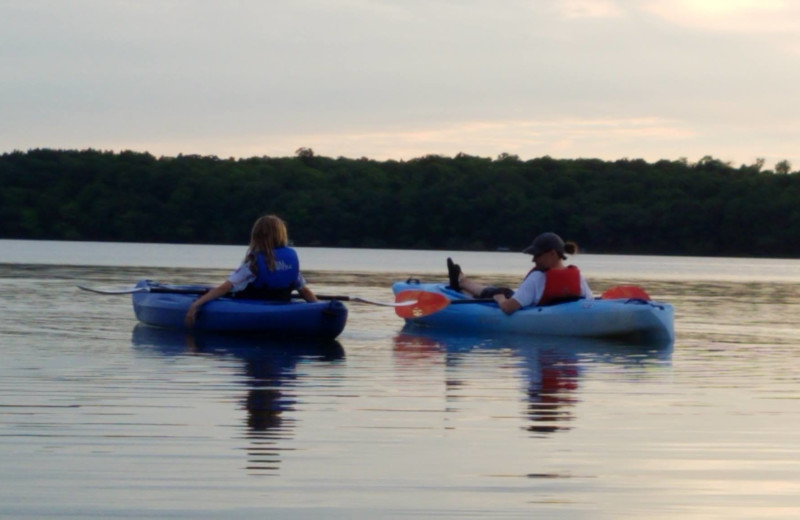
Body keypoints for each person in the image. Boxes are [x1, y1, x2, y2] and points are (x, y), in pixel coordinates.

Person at [185, 214, 317, 327]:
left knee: (226, 293)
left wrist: (196, 304)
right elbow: (304, 291)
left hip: (255, 308)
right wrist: (318, 307)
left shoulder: (253, 263)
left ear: (257, 236)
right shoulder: (289, 261)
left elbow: (225, 288)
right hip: (281, 305)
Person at [447, 232, 592, 315]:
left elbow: (507, 308)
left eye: (537, 255)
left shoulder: (538, 277)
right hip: (525, 300)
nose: (533, 260)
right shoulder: (578, 277)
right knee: (498, 292)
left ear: (552, 254)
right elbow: (590, 302)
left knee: (497, 293)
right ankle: (462, 282)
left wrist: (500, 300)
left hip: (515, 300)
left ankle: (462, 282)